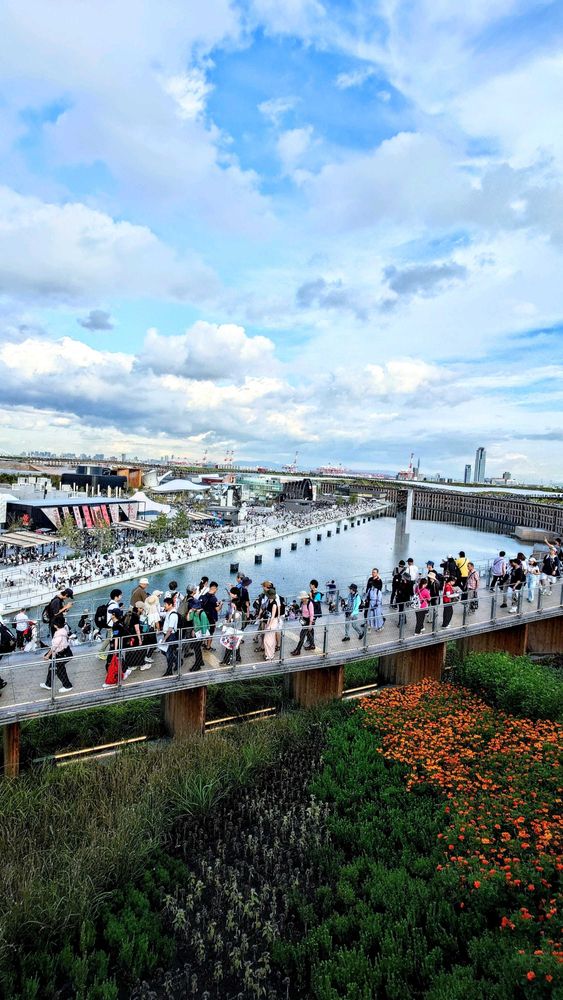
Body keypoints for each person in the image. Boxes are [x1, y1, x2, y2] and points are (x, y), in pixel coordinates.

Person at [40, 622, 73, 692]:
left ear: (55, 625)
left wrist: (47, 655)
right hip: (65, 652)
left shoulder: (58, 635)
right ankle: (48, 684)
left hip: (62, 654)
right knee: (52, 667)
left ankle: (68, 686)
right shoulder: (64, 630)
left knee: (59, 670)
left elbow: (54, 647)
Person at [291, 590, 316, 655]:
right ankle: (312, 645)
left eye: (302, 598)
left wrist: (310, 624)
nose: (301, 599)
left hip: (308, 621)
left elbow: (312, 614)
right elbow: (302, 611)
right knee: (309, 634)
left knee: (302, 635)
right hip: (304, 620)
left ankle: (298, 650)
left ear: (305, 597)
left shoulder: (310, 603)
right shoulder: (302, 603)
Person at [189, 599, 210, 670]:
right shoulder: (194, 612)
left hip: (200, 634)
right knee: (197, 649)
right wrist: (190, 612)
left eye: (193, 606)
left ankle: (197, 665)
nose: (191, 607)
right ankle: (200, 661)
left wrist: (203, 636)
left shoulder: (202, 614)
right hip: (196, 633)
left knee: (197, 648)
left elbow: (204, 625)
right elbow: (189, 619)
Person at [201, 582, 222, 651]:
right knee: (211, 632)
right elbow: (217, 609)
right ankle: (208, 646)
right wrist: (221, 604)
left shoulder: (205, 595)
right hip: (212, 617)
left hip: (204, 617)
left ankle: (204, 643)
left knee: (205, 630)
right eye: (217, 589)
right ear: (214, 588)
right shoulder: (213, 598)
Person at [161, 597, 180, 677]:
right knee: (165, 652)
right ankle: (178, 661)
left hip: (170, 636)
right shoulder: (168, 612)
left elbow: (170, 629)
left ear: (170, 605)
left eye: (165, 604)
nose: (164, 606)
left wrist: (164, 639)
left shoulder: (173, 615)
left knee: (168, 653)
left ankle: (169, 670)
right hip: (167, 635)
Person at [263, 587, 281, 661]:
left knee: (267, 639)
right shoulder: (269, 602)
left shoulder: (274, 604)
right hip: (269, 621)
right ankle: (269, 654)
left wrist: (269, 625)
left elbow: (273, 616)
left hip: (272, 622)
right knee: (270, 639)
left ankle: (269, 655)